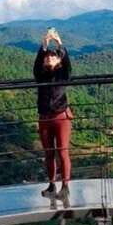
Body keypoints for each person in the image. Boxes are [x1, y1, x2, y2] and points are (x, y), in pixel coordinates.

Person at [33, 28, 73, 199]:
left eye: (53, 56)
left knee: (62, 152)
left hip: (61, 117)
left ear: (59, 60)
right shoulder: (41, 75)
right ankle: (52, 185)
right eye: (47, 56)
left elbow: (67, 63)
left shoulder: (63, 74)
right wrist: (44, 44)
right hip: (44, 118)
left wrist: (59, 43)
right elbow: (37, 64)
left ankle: (65, 187)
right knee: (49, 153)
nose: (49, 58)